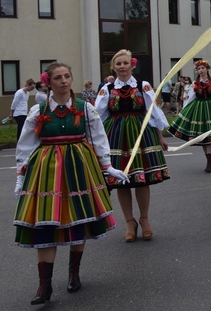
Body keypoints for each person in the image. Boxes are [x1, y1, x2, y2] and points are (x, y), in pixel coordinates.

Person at [14, 62, 128, 305]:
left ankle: (73, 273)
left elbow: (98, 137)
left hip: (79, 166)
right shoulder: (39, 110)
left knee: (79, 217)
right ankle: (44, 286)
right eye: (58, 78)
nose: (64, 81)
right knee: (46, 223)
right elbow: (25, 144)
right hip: (47, 169)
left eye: (67, 76)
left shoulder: (84, 108)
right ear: (49, 82)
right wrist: (21, 175)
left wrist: (107, 166)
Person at [96, 49, 170, 242]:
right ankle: (130, 221)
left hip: (141, 134)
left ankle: (144, 219)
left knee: (142, 179)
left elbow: (152, 111)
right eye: (118, 64)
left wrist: (160, 136)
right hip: (117, 135)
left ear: (132, 65)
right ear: (113, 67)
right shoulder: (107, 89)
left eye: (125, 63)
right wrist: (96, 142)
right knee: (121, 180)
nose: (122, 67)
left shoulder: (142, 85)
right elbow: (98, 116)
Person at [169, 60, 211, 172]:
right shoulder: (195, 83)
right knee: (202, 138)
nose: (201, 70)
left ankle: (209, 161)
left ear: (207, 69)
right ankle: (209, 160)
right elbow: (191, 97)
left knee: (209, 136)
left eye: (202, 68)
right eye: (199, 69)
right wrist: (184, 109)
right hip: (199, 110)